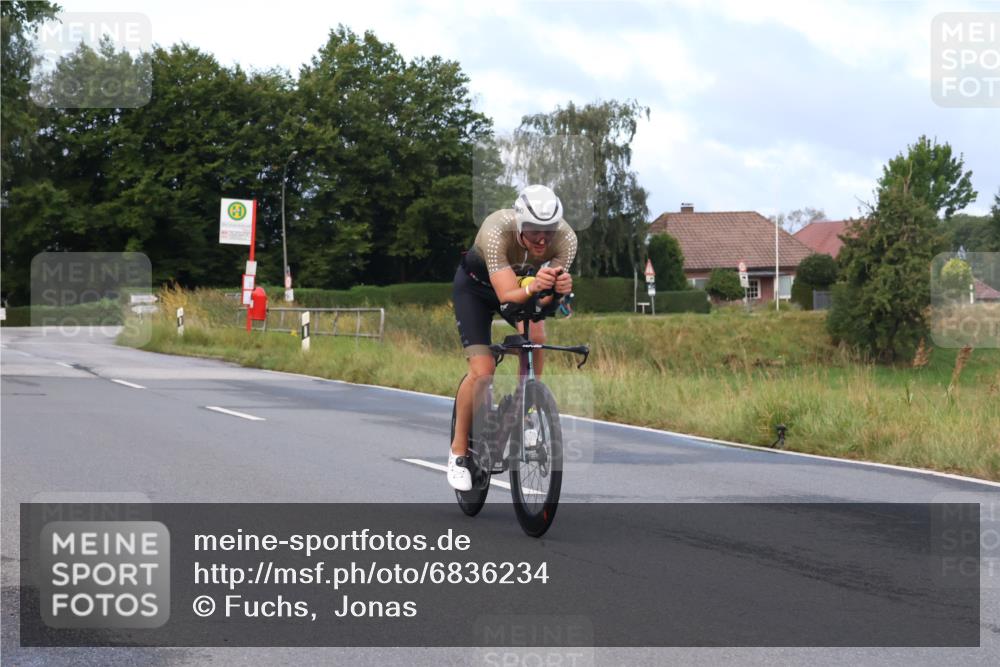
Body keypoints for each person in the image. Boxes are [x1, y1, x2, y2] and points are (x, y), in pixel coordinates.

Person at [448, 184, 576, 491]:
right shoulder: (496, 230)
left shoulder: (567, 240)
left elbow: (543, 305)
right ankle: (458, 451)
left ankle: (527, 406)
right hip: (476, 290)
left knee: (536, 334)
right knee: (482, 371)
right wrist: (535, 288)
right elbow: (507, 295)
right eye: (534, 231)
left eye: (549, 229)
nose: (543, 239)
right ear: (520, 225)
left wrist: (556, 293)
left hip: (521, 288)